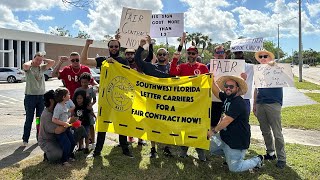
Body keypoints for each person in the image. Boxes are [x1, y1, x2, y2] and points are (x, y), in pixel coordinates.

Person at [80, 39, 133, 158]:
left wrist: (114, 63)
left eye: (116, 46)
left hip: (119, 98)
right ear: (108, 48)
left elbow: (128, 76)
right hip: (105, 99)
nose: (114, 48)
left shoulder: (123, 61)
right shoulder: (102, 60)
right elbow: (83, 60)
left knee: (122, 124)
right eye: (111, 46)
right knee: (102, 125)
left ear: (119, 48)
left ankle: (125, 149)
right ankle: (97, 151)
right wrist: (87, 45)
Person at [209, 75, 264, 172]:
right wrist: (211, 79)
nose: (228, 88)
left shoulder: (238, 103)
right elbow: (217, 92)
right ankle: (229, 155)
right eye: (226, 86)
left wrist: (213, 131)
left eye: (231, 86)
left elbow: (227, 120)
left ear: (237, 88)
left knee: (235, 168)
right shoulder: (228, 97)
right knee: (211, 148)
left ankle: (258, 159)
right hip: (225, 137)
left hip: (236, 141)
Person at [169, 45, 209, 161]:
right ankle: (183, 150)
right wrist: (175, 59)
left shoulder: (203, 67)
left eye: (193, 53)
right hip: (184, 103)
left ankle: (200, 152)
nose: (191, 55)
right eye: (189, 53)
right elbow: (172, 72)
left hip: (198, 103)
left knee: (199, 127)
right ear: (186, 54)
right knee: (185, 125)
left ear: (197, 55)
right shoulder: (182, 66)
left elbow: (207, 85)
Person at [135, 38, 173, 158]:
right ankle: (153, 149)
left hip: (167, 102)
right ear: (157, 56)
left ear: (167, 55)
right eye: (159, 54)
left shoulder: (172, 69)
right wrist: (141, 47)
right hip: (152, 101)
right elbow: (137, 61)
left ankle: (167, 147)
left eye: (164, 54)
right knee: (153, 125)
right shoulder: (151, 67)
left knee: (167, 125)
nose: (162, 56)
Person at [253, 50, 286, 169]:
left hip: (274, 104)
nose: (262, 58)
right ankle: (271, 153)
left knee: (277, 132)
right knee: (265, 130)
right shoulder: (258, 71)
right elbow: (256, 89)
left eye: (265, 56)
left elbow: (286, 73)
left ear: (270, 57)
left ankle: (282, 158)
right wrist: (254, 104)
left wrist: (274, 64)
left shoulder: (277, 68)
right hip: (261, 103)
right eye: (260, 56)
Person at [22, 51, 55, 145]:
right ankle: (25, 139)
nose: (39, 62)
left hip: (41, 97)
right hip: (30, 97)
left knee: (39, 118)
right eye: (37, 60)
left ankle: (39, 137)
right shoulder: (29, 68)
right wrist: (32, 61)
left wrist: (43, 59)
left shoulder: (42, 68)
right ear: (33, 59)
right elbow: (25, 66)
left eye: (40, 60)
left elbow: (52, 62)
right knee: (29, 118)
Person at [52, 88, 76, 166]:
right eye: (68, 94)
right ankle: (64, 160)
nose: (69, 95)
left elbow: (66, 115)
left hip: (66, 128)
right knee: (67, 144)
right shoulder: (58, 107)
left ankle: (68, 156)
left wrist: (69, 121)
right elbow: (54, 119)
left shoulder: (64, 105)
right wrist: (63, 123)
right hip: (61, 130)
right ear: (63, 97)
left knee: (72, 142)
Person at [74, 72, 97, 147]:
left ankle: (93, 141)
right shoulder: (78, 90)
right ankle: (81, 144)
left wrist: (91, 105)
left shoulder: (91, 89)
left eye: (86, 82)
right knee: (81, 126)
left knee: (91, 125)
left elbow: (94, 100)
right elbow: (74, 100)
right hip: (80, 111)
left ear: (89, 81)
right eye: (82, 82)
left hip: (89, 110)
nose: (84, 84)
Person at [234, 51, 254, 115]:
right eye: (236, 53)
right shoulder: (230, 66)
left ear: (243, 54)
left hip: (245, 98)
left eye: (239, 53)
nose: (238, 55)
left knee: (245, 121)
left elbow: (262, 67)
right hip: (232, 98)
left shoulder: (250, 67)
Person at [72, 89, 92, 154]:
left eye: (81, 98)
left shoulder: (86, 106)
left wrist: (91, 110)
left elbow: (90, 112)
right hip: (78, 124)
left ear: (84, 99)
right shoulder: (75, 106)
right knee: (80, 136)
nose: (79, 100)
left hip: (86, 123)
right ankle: (80, 147)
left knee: (86, 135)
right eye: (77, 98)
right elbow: (73, 114)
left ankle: (87, 147)